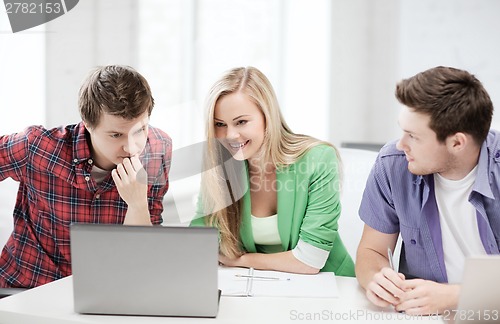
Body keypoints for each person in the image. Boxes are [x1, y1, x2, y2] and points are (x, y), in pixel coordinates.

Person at [0, 65, 172, 288]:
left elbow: (141, 258)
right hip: (25, 288)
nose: (131, 147)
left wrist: (137, 205)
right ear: (88, 124)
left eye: (140, 130)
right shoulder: (38, 147)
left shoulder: (158, 149)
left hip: (103, 294)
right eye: (116, 134)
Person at [356, 66, 500, 315]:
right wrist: (377, 278)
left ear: (457, 142)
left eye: (413, 136)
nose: (401, 145)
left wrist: (455, 296)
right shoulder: (393, 164)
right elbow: (372, 251)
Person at [191, 66, 354, 276]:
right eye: (220, 124)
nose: (230, 135)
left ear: (267, 117)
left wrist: (242, 260)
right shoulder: (220, 166)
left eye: (241, 122)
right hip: (257, 287)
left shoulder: (318, 160)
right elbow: (199, 242)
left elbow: (310, 260)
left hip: (331, 286)